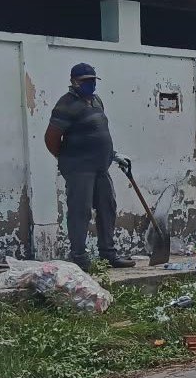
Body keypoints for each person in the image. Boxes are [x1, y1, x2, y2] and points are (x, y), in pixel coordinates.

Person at [44, 63, 135, 270]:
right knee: (80, 211)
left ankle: (108, 254)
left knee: (107, 207)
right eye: (85, 81)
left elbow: (98, 131)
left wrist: (113, 155)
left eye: (93, 80)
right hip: (79, 168)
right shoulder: (66, 104)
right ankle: (79, 257)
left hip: (101, 166)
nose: (90, 84)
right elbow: (51, 138)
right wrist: (67, 157)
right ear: (73, 82)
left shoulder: (96, 100)